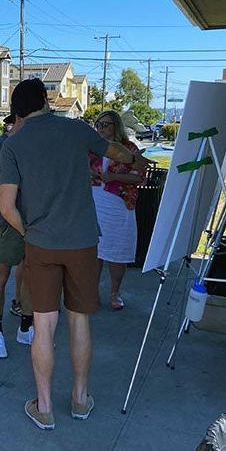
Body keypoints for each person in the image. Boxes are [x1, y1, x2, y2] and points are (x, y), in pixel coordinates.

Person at [0, 78, 150, 429]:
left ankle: (45, 406)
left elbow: (7, 207)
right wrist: (133, 156)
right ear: (46, 102)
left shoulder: (13, 145)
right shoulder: (77, 130)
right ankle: (81, 400)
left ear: (19, 110)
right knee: (79, 320)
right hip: (83, 241)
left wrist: (29, 232)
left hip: (41, 243)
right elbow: (118, 153)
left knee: (44, 324)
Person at [0, 113, 34, 359]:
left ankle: (26, 327)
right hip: (8, 218)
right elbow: (5, 181)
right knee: (1, 274)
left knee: (27, 273)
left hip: (33, 217)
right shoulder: (2, 144)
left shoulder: (32, 142)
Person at [89, 111, 144, 310]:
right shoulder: (92, 148)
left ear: (116, 126)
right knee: (96, 251)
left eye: (106, 124)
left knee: (117, 251)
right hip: (95, 203)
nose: (102, 128)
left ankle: (114, 292)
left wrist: (113, 178)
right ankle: (92, 292)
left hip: (120, 205)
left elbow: (140, 177)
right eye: (99, 124)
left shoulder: (129, 149)